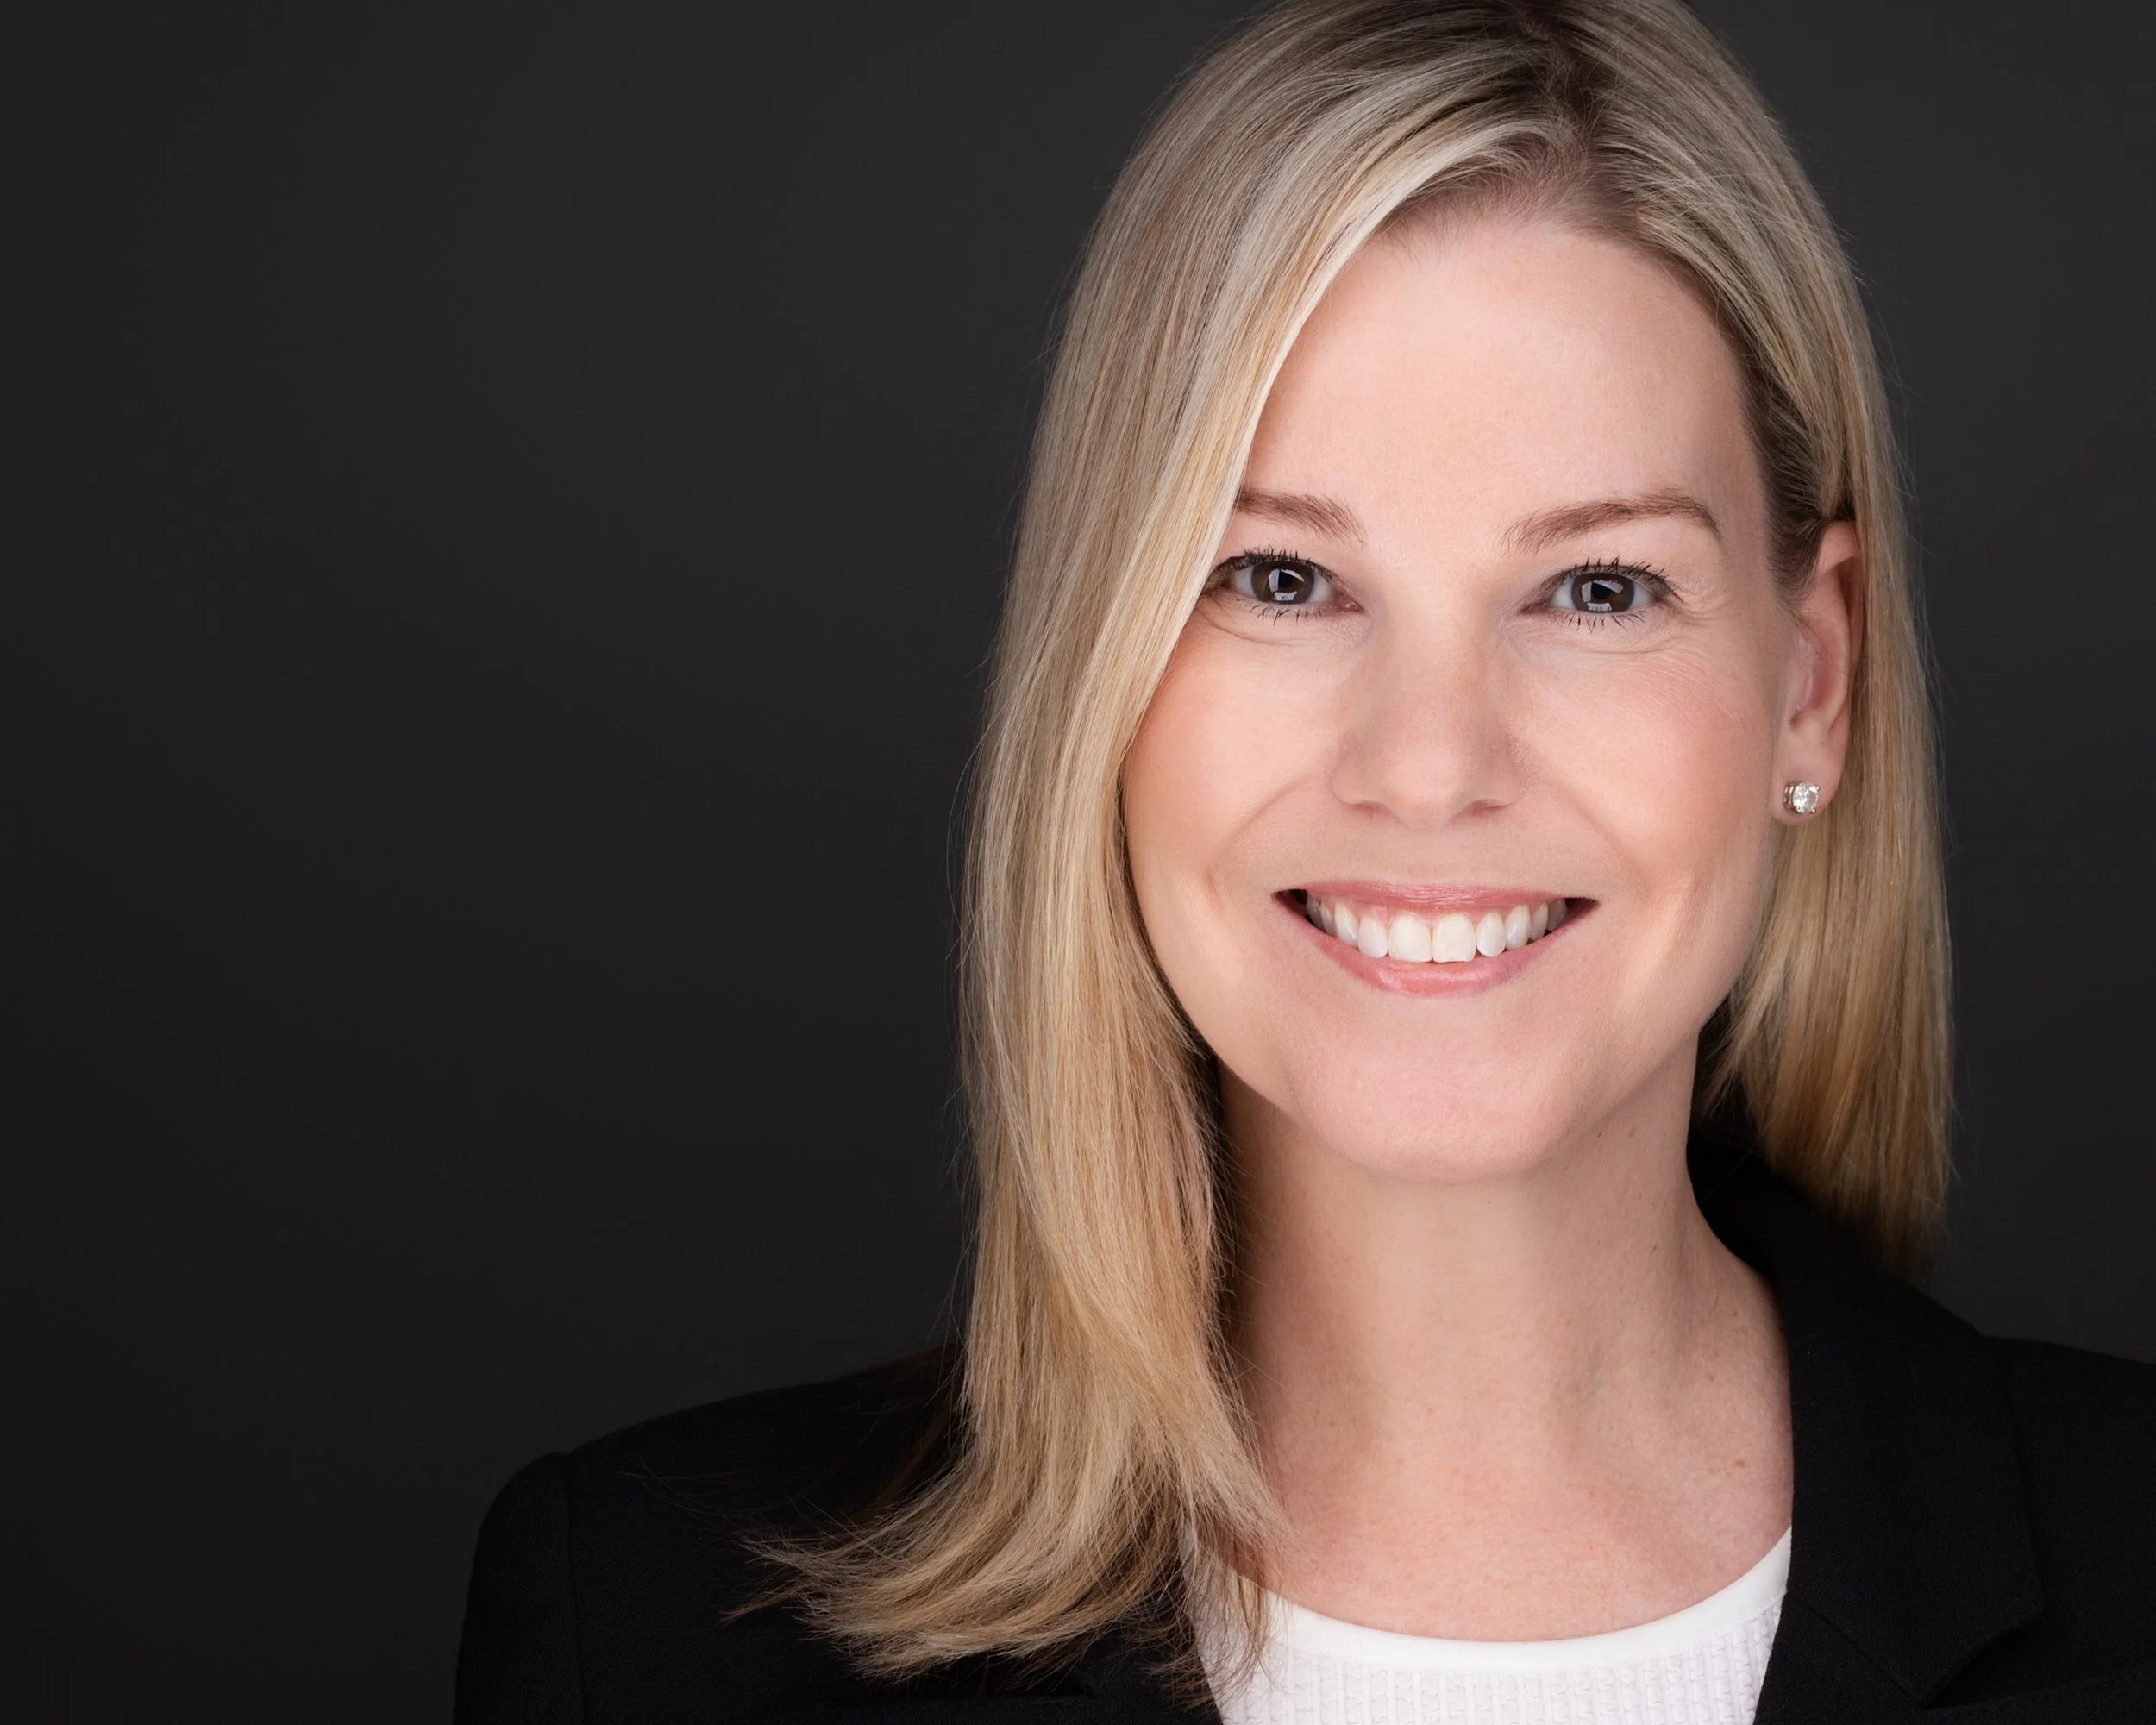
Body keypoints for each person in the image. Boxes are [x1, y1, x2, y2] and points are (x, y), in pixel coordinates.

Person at [454, 3, 2156, 1719]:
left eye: (1594, 588)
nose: (1425, 765)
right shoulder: (647, 1633)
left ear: (1809, 681)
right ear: (1099, 670)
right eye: (1278, 579)